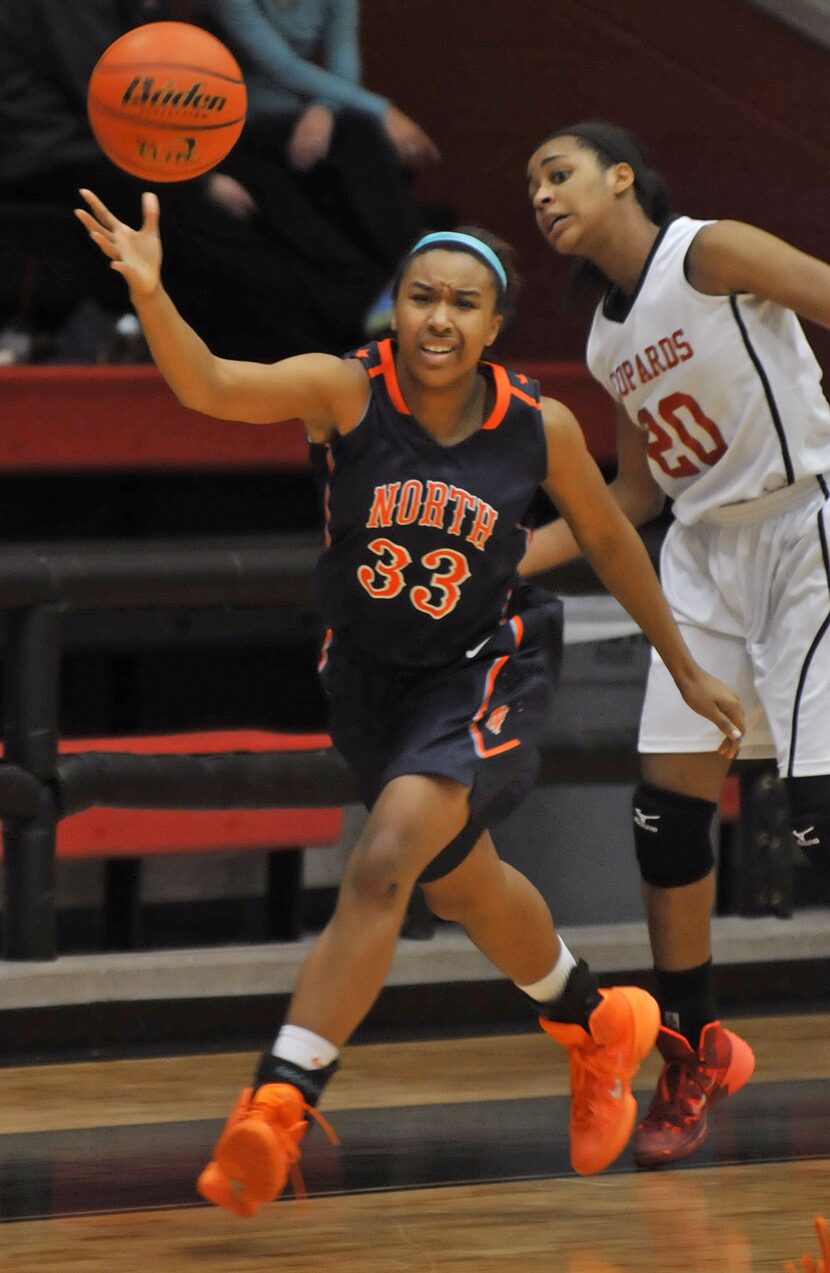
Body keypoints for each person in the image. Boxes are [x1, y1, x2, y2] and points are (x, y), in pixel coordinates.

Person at [75, 184, 744, 1212]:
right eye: (420, 296)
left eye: (462, 303)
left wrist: (688, 667)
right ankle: (593, 1023)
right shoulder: (346, 390)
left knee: (384, 858)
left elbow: (611, 539)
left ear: (493, 325)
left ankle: (278, 1100)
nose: (437, 317)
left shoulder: (537, 424)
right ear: (396, 306)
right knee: (456, 884)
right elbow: (209, 384)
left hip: (481, 667)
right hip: (366, 682)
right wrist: (155, 296)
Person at [523, 120, 830, 1168]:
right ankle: (692, 1050)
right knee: (662, 819)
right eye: (530, 187)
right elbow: (631, 495)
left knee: (816, 811)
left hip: (800, 526)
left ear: (621, 175)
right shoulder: (606, 342)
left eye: (556, 174)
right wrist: (504, 555)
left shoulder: (706, 250)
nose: (542, 195)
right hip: (701, 553)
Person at [0, 0, 324, 362]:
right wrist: (199, 180)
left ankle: (347, 334)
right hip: (55, 154)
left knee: (277, 174)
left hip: (115, 144)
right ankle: (286, 375)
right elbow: (114, 96)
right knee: (237, 258)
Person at [197, 0, 441, 342]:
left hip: (306, 113)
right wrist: (382, 109)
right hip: (236, 120)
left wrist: (326, 109)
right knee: (363, 133)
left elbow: (343, 59)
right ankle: (423, 275)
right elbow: (278, 65)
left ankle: (415, 274)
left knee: (365, 139)